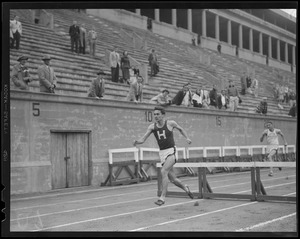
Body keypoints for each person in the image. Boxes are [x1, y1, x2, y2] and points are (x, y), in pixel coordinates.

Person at [133, 106, 194, 206]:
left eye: (158, 114)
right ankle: (185, 187)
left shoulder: (170, 123)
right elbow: (143, 139)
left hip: (171, 152)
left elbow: (181, 129)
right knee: (173, 179)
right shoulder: (152, 127)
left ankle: (162, 197)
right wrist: (136, 142)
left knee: (163, 171)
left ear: (163, 115)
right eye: (155, 114)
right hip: (162, 153)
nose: (156, 116)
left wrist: (187, 138)